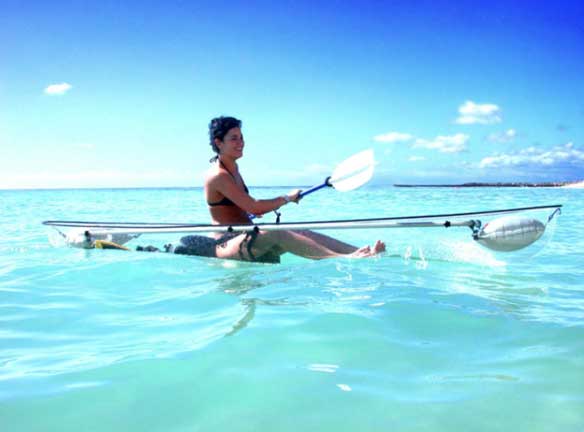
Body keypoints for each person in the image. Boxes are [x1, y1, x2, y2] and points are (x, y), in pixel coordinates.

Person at [170, 116, 385, 263]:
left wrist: (255, 210)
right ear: (219, 142)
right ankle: (344, 259)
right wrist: (286, 198)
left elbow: (245, 208)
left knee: (300, 231)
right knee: (278, 233)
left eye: (242, 137)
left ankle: (359, 251)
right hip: (224, 244)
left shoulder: (233, 168)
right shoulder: (218, 175)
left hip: (245, 235)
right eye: (234, 138)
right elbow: (253, 206)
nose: (241, 142)